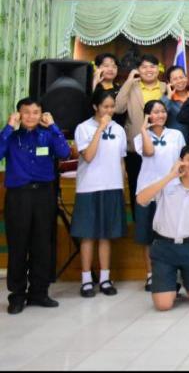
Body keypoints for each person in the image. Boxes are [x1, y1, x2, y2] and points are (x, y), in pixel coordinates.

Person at [0, 99, 70, 314]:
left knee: (42, 245)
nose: (31, 116)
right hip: (18, 196)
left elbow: (64, 153)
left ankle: (39, 292)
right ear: (18, 115)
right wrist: (8, 127)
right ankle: (17, 296)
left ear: (41, 115)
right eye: (26, 112)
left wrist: (54, 127)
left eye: (35, 112)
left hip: (44, 195)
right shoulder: (11, 136)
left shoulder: (47, 135)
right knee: (18, 246)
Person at [135, 144, 189, 312]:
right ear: (180, 161)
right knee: (164, 305)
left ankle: (184, 279)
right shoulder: (166, 183)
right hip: (164, 247)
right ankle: (172, 283)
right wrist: (171, 176)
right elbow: (141, 199)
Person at [72, 89, 128, 298]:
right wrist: (100, 129)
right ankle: (86, 280)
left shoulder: (119, 130)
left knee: (106, 235)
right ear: (95, 107)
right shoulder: (83, 128)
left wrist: (122, 185)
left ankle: (105, 278)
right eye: (105, 106)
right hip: (89, 187)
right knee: (88, 235)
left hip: (112, 186)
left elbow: (121, 160)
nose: (109, 111)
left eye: (112, 107)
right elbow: (88, 156)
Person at [134, 100, 186, 292]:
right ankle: (151, 275)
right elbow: (149, 152)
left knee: (171, 234)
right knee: (148, 235)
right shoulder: (140, 137)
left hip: (172, 190)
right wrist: (143, 129)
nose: (160, 115)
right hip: (148, 190)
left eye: (163, 111)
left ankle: (173, 275)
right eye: (155, 112)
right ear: (148, 116)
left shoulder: (176, 135)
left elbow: (182, 161)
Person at [115, 54, 168, 217]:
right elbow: (118, 108)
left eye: (152, 66)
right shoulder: (131, 86)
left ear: (158, 69)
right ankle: (140, 221)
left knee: (163, 185)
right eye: (144, 67)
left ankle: (161, 219)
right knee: (136, 184)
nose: (148, 70)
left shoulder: (166, 87)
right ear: (138, 70)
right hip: (136, 146)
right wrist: (129, 81)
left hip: (163, 145)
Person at [162, 65, 189, 144]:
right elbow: (160, 114)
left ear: (186, 78)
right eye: (175, 79)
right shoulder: (166, 99)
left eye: (181, 77)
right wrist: (169, 96)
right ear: (169, 82)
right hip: (175, 142)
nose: (179, 81)